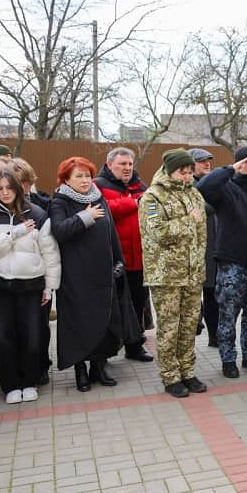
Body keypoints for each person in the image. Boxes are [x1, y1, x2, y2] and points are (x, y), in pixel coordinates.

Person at [50, 157, 134, 391]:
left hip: (103, 273)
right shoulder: (60, 201)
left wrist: (119, 260)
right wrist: (84, 217)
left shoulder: (98, 197)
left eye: (87, 175)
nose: (85, 180)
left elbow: (111, 233)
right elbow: (59, 231)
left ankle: (99, 367)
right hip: (76, 276)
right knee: (79, 323)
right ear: (66, 179)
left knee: (103, 321)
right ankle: (80, 370)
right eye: (79, 176)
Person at [196, 147, 247, 378]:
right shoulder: (226, 188)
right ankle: (228, 358)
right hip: (233, 264)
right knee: (228, 314)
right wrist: (230, 170)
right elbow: (202, 188)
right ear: (237, 164)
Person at [139, 149, 208, 398]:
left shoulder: (194, 194)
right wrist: (189, 220)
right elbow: (156, 231)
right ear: (170, 170)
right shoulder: (152, 197)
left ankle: (188, 372)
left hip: (193, 273)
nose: (187, 176)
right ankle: (170, 376)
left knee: (189, 326)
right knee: (170, 327)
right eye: (183, 171)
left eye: (190, 172)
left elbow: (201, 235)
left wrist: (199, 264)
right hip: (166, 274)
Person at [0, 168, 60, 404]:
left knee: (31, 336)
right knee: (1, 337)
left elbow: (50, 254)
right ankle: (11, 385)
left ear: (18, 188)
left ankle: (29, 382)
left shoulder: (38, 213)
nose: (4, 193)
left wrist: (49, 288)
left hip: (31, 286)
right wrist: (15, 232)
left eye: (9, 187)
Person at [94, 147, 153, 362]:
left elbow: (152, 207)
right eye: (122, 164)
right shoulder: (97, 185)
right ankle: (106, 352)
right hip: (114, 258)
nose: (127, 168)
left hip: (139, 258)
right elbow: (103, 208)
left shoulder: (141, 186)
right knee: (113, 306)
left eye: (130, 164)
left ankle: (135, 346)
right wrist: (133, 203)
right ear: (110, 165)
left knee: (137, 304)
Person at [10, 158, 53, 383]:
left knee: (40, 326)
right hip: (11, 278)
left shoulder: (42, 205)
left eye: (24, 182)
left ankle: (41, 364)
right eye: (16, 182)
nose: (21, 187)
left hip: (38, 277)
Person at [189, 148, 219, 347]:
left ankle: (214, 336)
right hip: (193, 251)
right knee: (195, 296)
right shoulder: (188, 186)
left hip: (213, 248)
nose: (207, 164)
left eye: (208, 160)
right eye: (201, 161)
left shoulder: (213, 185)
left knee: (212, 295)